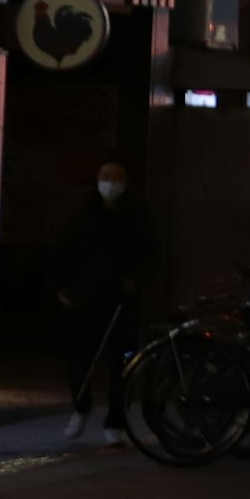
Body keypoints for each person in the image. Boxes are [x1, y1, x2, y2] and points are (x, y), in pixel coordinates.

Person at [51, 162, 155, 436]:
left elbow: (151, 255)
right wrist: (62, 287)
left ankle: (115, 421)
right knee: (78, 359)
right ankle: (81, 407)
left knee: (119, 363)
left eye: (117, 178)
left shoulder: (138, 215)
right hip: (83, 298)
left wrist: (136, 280)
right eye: (106, 177)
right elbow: (62, 250)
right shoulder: (82, 213)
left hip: (121, 301)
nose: (110, 182)